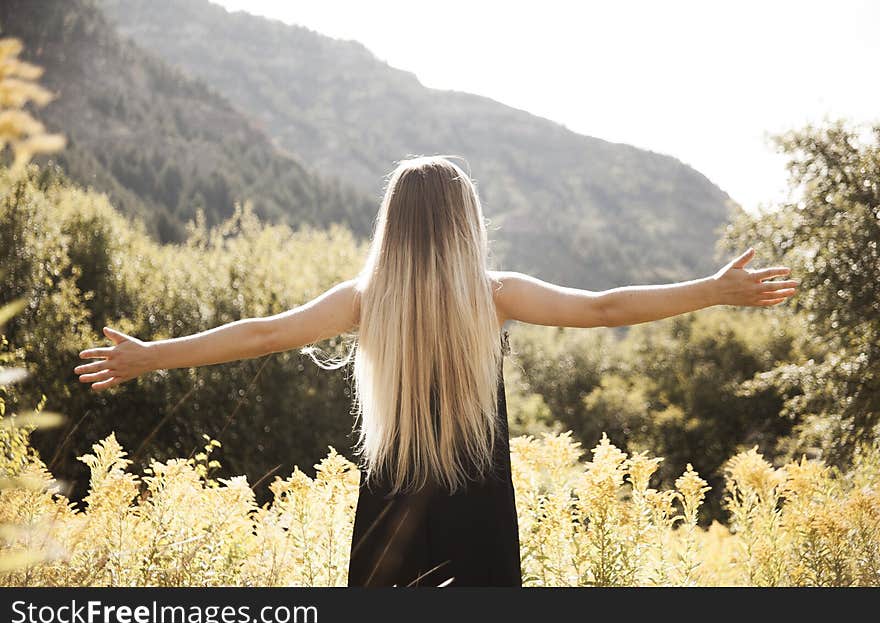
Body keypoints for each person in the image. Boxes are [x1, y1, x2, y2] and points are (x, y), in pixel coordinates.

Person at [73, 155, 798, 587]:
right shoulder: (493, 295)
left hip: (387, 515)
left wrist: (149, 355)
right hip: (480, 513)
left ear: (393, 223)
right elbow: (606, 307)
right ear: (464, 224)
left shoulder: (364, 301)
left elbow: (261, 333)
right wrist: (711, 289)